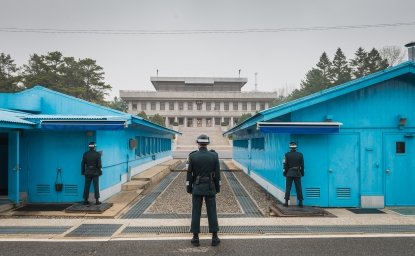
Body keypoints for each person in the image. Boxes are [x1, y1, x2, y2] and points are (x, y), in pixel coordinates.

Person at [186, 134, 221, 247]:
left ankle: (195, 238)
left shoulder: (192, 156)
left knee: (196, 212)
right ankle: (214, 238)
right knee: (212, 211)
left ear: (198, 143)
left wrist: (189, 188)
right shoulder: (214, 156)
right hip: (210, 187)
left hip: (197, 186)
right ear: (207, 143)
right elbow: (218, 174)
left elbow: (189, 174)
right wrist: (217, 188)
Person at [283, 141, 304, 207]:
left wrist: (285, 173)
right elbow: (302, 165)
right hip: (298, 173)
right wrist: (302, 173)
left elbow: (285, 165)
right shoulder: (300, 154)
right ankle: (300, 202)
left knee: (288, 187)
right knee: (299, 187)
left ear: (290, 147)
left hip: (289, 173)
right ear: (296, 147)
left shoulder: (286, 155)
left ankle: (286, 202)